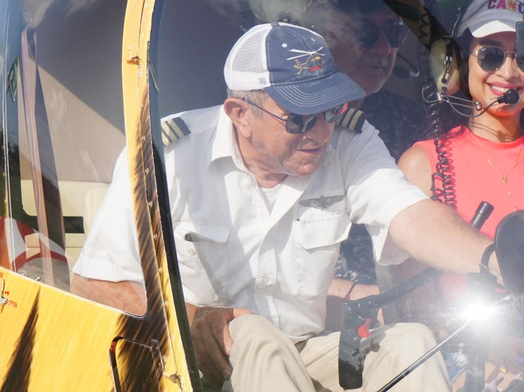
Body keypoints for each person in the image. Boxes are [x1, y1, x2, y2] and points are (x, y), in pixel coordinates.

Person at [73, 22, 500, 392]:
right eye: (299, 117)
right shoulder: (167, 156)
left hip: (305, 350)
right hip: (200, 366)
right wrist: (192, 319)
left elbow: (412, 216)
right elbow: (94, 282)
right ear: (240, 113)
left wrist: (495, 258)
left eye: (330, 110)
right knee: (256, 336)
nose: (320, 131)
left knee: (411, 342)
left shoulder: (350, 141)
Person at [396, 0, 524, 383]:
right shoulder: (423, 163)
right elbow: (409, 303)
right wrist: (480, 350)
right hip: (466, 364)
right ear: (452, 64)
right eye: (489, 54)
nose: (508, 72)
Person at [305, 0, 429, 288]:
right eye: (364, 32)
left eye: (394, 33)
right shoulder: (282, 121)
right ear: (322, 34)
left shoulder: (415, 122)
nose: (383, 48)